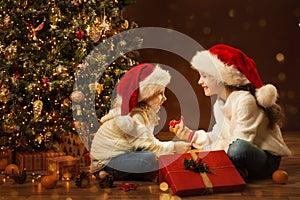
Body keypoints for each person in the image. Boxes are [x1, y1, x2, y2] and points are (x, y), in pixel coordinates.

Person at [171, 44, 291, 180]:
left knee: (238, 148)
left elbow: (242, 141)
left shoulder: (245, 101)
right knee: (232, 148)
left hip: (265, 159)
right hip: (238, 150)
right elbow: (219, 136)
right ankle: (236, 171)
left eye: (204, 76)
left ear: (222, 78)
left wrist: (211, 157)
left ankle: (235, 170)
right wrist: (189, 135)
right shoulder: (220, 103)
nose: (199, 81)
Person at [90, 63, 191, 186]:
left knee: (151, 158)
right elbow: (147, 146)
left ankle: (146, 174)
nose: (164, 98)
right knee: (147, 159)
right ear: (146, 94)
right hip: (106, 161)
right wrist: (174, 147)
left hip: (123, 154)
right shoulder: (134, 117)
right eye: (160, 93)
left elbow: (148, 140)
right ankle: (106, 172)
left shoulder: (144, 112)